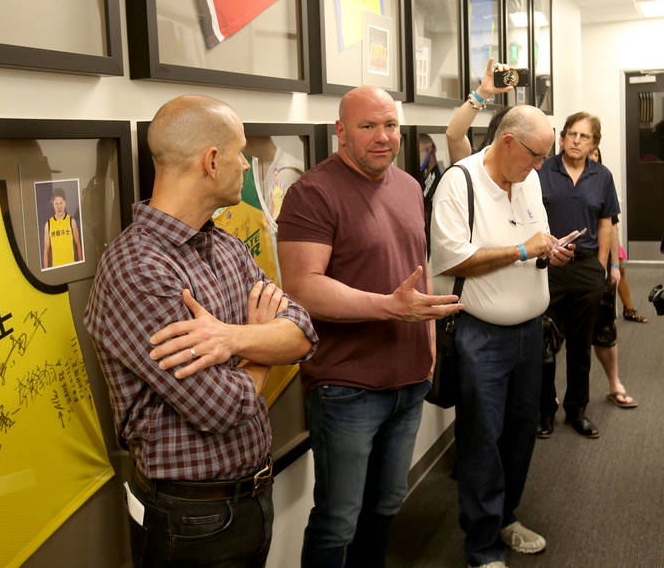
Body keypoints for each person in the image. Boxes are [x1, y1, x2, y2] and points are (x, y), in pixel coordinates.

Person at [84, 95, 317, 568]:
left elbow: (302, 333)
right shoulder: (138, 269)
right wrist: (261, 345)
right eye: (240, 154)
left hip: (251, 495)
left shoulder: (224, 245)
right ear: (212, 161)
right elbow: (223, 407)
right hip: (190, 520)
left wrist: (232, 339)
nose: (247, 168)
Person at [275, 86, 462, 568]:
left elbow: (412, 263)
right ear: (341, 131)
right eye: (368, 127)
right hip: (347, 387)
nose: (384, 137)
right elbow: (303, 288)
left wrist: (427, 344)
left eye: (391, 126)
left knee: (386, 505)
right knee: (339, 518)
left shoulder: (406, 185)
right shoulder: (312, 193)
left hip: (409, 380)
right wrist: (390, 308)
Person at [430, 104, 575, 568]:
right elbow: (452, 261)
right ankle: (482, 546)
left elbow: (535, 241)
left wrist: (549, 253)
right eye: (535, 155)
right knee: (482, 440)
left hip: (530, 333)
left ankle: (505, 516)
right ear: (508, 141)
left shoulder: (528, 177)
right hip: (481, 335)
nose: (540, 168)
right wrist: (520, 251)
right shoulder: (461, 181)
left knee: (519, 435)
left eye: (544, 158)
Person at [537, 112, 620, 439]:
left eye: (584, 137)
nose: (575, 141)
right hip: (548, 268)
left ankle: (577, 410)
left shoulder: (603, 176)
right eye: (571, 134)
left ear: (594, 143)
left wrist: (601, 266)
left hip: (586, 267)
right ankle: (545, 411)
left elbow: (606, 223)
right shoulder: (543, 171)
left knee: (581, 345)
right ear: (561, 138)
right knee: (544, 345)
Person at [587, 146, 637, 409]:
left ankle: (615, 383)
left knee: (604, 328)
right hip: (567, 270)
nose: (591, 157)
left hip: (601, 268)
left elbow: (612, 226)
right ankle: (550, 396)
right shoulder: (555, 179)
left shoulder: (603, 180)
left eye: (596, 153)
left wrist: (615, 266)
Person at [42, 187, 83, 268]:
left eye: (61, 203)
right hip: (57, 269)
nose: (59, 206)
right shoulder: (48, 224)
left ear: (65, 203)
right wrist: (46, 273)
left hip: (71, 267)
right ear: (53, 205)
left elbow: (78, 244)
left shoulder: (71, 221)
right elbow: (46, 251)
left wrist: (81, 265)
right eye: (56, 203)